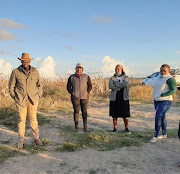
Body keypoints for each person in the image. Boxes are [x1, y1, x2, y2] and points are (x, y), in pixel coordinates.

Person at [9, 53, 43, 149]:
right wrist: (15, 97)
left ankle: (36, 138)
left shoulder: (35, 71)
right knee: (22, 121)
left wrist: (38, 95)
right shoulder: (15, 72)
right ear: (21, 61)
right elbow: (11, 87)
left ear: (29, 61)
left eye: (27, 61)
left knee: (33, 119)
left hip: (33, 100)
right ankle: (21, 141)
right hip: (21, 100)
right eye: (24, 61)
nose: (25, 63)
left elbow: (39, 84)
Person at [150, 64, 177, 143]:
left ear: (168, 71)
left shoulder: (170, 79)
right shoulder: (159, 78)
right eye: (161, 70)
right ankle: (164, 134)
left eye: (164, 71)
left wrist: (163, 94)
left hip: (166, 101)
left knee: (158, 116)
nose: (162, 72)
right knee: (162, 117)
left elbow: (173, 90)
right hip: (157, 100)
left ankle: (156, 135)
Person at [67, 63, 92, 132]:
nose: (79, 69)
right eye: (77, 68)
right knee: (76, 111)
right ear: (75, 69)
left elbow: (90, 86)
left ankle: (85, 126)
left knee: (84, 111)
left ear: (82, 69)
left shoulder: (86, 76)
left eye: (80, 68)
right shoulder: (72, 77)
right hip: (75, 98)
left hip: (84, 97)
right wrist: (73, 93)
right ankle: (76, 127)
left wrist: (87, 92)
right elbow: (68, 87)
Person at [109, 64, 131, 134]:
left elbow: (125, 84)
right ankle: (115, 128)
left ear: (122, 69)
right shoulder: (112, 78)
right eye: (116, 69)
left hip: (124, 98)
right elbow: (110, 86)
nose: (117, 70)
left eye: (118, 69)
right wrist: (119, 87)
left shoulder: (126, 77)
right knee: (114, 114)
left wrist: (116, 84)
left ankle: (126, 128)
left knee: (125, 114)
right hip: (114, 98)